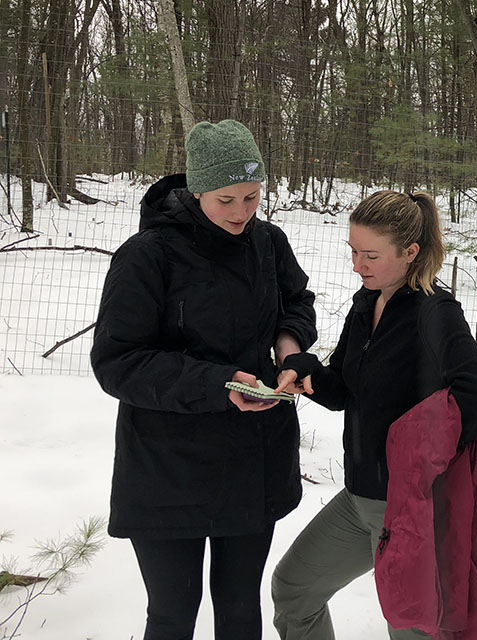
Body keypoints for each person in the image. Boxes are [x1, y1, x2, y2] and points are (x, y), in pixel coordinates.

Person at [90, 119, 317, 640]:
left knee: (240, 607)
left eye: (253, 197)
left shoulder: (269, 243)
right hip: (167, 464)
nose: (241, 213)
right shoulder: (148, 255)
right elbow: (118, 361)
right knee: (173, 612)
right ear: (196, 190)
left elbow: (297, 302)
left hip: (251, 456)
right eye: (226, 200)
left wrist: (288, 346)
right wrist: (217, 383)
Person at [270, 190, 477, 639]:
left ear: (410, 253)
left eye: (370, 255)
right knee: (295, 589)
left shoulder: (435, 314)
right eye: (353, 252)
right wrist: (306, 371)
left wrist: (415, 458)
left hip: (410, 507)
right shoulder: (365, 304)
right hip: (360, 500)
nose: (358, 265)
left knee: (411, 624)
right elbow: (344, 386)